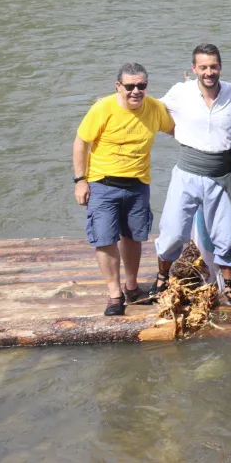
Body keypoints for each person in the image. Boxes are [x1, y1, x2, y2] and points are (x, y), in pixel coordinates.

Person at [73, 63, 174, 315]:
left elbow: (178, 129)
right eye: (129, 86)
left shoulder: (154, 108)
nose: (136, 91)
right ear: (118, 86)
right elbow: (81, 142)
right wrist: (80, 180)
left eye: (141, 85)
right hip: (103, 184)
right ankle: (114, 294)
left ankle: (131, 288)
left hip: (138, 185)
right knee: (105, 239)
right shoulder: (103, 108)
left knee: (133, 237)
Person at [152, 44, 231, 304]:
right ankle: (161, 277)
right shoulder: (180, 92)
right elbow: (152, 110)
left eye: (213, 66)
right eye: (203, 67)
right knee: (172, 231)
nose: (208, 72)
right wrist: (117, 102)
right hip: (187, 172)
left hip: (222, 174)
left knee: (226, 235)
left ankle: (230, 283)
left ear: (220, 67)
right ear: (194, 69)